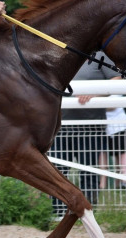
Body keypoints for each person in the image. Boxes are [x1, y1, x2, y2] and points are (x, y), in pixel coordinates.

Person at [50, 51, 116, 211]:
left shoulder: (101, 56)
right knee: (58, 171)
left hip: (91, 126)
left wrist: (93, 93)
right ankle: (58, 211)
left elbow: (116, 79)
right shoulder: (61, 52)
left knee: (89, 169)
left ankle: (87, 210)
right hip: (60, 125)